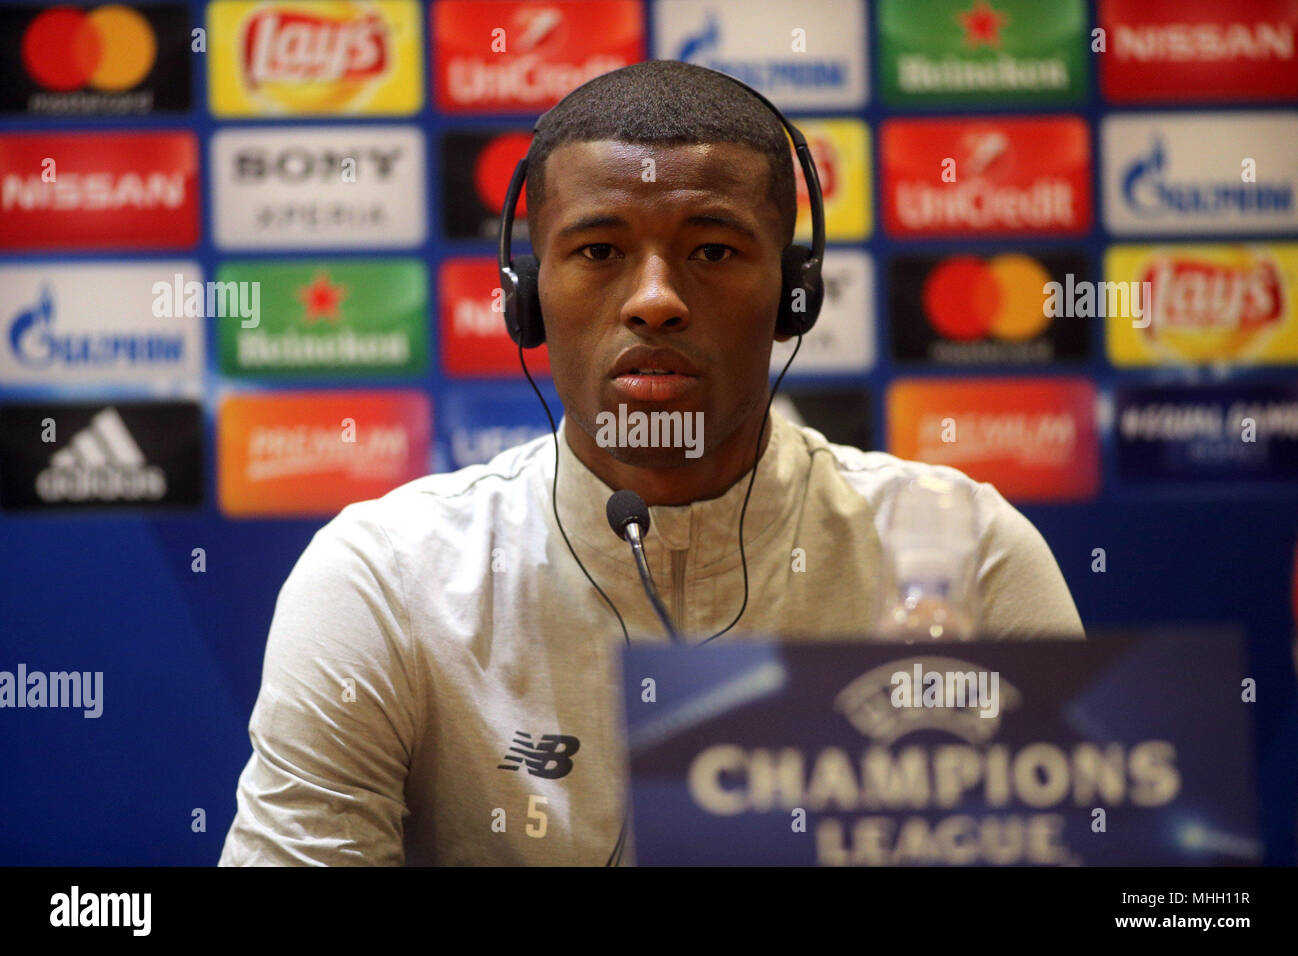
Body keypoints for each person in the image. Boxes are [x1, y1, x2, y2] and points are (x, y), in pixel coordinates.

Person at [219, 60, 1084, 867]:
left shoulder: (966, 555)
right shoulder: (385, 578)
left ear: (793, 297)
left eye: (712, 250)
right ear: (528, 300)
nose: (656, 300)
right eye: (599, 251)